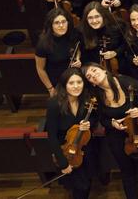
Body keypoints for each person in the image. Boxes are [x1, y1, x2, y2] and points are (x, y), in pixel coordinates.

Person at [82, 63, 138, 199]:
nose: (93, 75)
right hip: (116, 135)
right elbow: (102, 119)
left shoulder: (128, 83)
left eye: (94, 70)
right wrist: (112, 123)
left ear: (104, 70)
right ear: (91, 83)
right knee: (126, 169)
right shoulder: (96, 96)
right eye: (89, 76)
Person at [45, 68, 97, 199]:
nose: (76, 86)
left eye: (79, 82)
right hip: (66, 151)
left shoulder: (86, 100)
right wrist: (63, 163)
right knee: (80, 186)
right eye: (71, 83)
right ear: (64, 85)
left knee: (87, 182)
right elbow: (51, 135)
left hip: (84, 148)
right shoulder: (54, 104)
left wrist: (89, 123)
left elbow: (94, 118)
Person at [35, 8, 82, 95]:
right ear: (50, 25)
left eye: (64, 22)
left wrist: (78, 59)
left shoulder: (73, 34)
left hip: (74, 77)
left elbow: (77, 49)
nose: (61, 25)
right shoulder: (43, 44)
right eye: (57, 23)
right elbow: (40, 69)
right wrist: (50, 89)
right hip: (58, 81)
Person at [79, 1, 124, 69]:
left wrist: (116, 52)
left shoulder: (115, 27)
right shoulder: (83, 31)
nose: (94, 21)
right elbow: (84, 57)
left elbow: (125, 44)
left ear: (103, 16)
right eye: (90, 18)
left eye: (97, 16)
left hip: (118, 66)